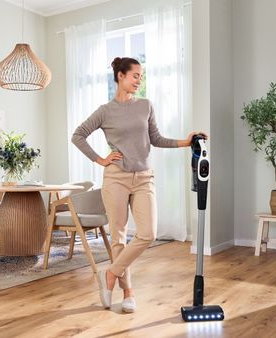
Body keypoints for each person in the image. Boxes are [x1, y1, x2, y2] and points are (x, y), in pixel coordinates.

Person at [71, 57, 208, 313]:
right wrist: (101, 159)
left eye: (140, 76)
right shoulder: (104, 111)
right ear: (120, 76)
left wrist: (186, 141)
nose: (139, 80)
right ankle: (127, 293)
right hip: (116, 178)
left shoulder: (145, 105)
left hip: (144, 177)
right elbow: (78, 135)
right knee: (119, 235)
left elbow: (155, 139)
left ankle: (110, 274)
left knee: (147, 233)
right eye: (135, 75)